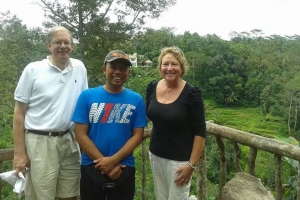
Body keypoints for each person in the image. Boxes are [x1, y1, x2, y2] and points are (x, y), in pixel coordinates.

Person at [13, 26, 88, 200]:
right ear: (49, 46)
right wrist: (19, 154)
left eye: (66, 42)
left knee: (70, 195)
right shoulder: (33, 70)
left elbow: (83, 105)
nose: (63, 46)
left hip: (69, 140)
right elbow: (18, 114)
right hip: (40, 143)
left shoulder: (79, 68)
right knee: (41, 196)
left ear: (72, 46)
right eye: (58, 42)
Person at [72, 50, 147, 200]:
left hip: (124, 167)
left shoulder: (136, 99)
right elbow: (80, 133)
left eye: (123, 68)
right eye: (113, 67)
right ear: (104, 69)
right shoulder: (87, 96)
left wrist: (113, 161)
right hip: (92, 165)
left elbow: (138, 135)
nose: (118, 72)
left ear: (128, 72)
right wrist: (105, 163)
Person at [146, 46, 206, 200]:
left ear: (182, 67)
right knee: (161, 197)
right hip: (156, 155)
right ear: (160, 67)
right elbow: (145, 117)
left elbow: (200, 132)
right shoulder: (153, 87)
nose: (169, 68)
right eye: (165, 64)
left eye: (174, 64)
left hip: (179, 161)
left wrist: (191, 165)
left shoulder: (191, 94)